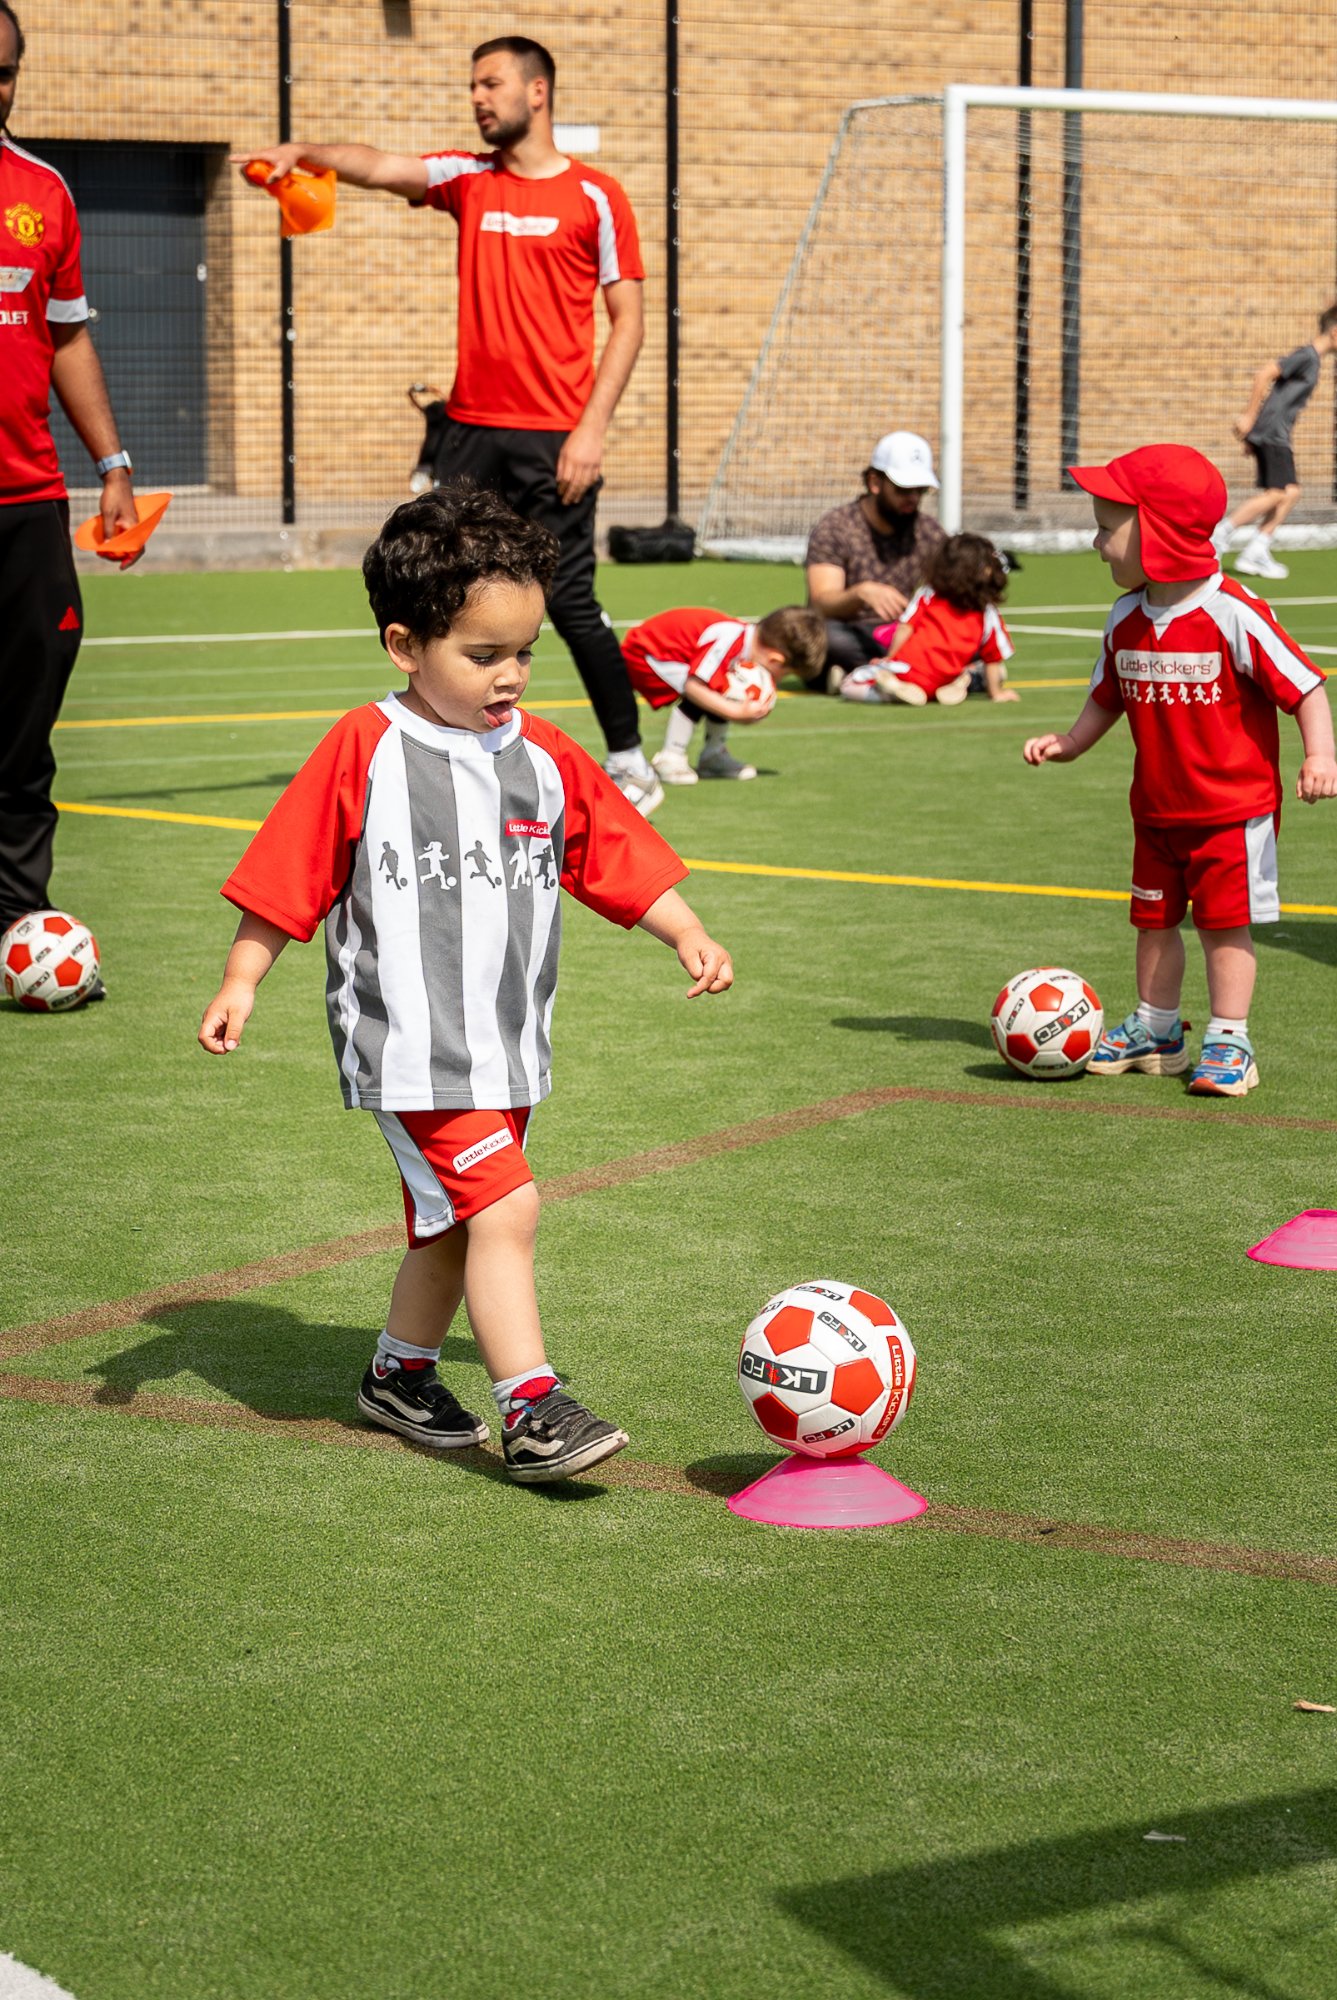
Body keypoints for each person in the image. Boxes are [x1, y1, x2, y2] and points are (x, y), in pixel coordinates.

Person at [198, 485, 733, 1482]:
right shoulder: (365, 747)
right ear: (405, 645)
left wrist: (685, 929)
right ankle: (533, 1407)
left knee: (451, 1223)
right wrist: (242, 976)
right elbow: (290, 871)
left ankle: (398, 1375)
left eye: (524, 652)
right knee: (506, 1207)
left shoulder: (544, 755)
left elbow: (610, 853)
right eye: (483, 654)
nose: (510, 675)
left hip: (506, 1043)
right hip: (410, 1045)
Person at [235, 35, 665, 815]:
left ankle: (631, 760)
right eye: (473, 85)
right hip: (470, 432)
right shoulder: (469, 179)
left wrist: (591, 430)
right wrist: (305, 153)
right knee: (441, 587)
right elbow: (380, 166)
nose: (477, 97)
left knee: (567, 602)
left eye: (491, 83)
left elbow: (629, 322)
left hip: (556, 438)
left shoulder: (596, 197)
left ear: (537, 91)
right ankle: (439, 743)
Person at [1024, 443, 1336, 1098]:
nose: (1096, 544)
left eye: (1107, 530)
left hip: (1231, 815)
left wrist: (1320, 755)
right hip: (1156, 812)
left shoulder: (1232, 613)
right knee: (1153, 922)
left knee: (1224, 928)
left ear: (1158, 532)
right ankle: (1157, 1030)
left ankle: (1230, 1039)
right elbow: (1107, 695)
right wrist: (1072, 741)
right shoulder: (1124, 617)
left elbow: (1305, 687)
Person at [0, 0, 140, 956]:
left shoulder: (42, 190)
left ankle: (16, 920)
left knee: (24, 726)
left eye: (4, 71)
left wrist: (113, 463)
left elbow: (67, 335)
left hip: (27, 505)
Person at [801, 431, 947, 693]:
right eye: (903, 489)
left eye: (920, 490)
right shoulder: (836, 527)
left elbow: (949, 592)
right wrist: (861, 593)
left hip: (901, 632)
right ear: (874, 482)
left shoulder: (928, 531)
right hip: (847, 631)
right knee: (820, 638)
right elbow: (821, 602)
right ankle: (914, 673)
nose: (913, 498)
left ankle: (856, 676)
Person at [621, 603, 825, 785]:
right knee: (705, 692)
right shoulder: (730, 641)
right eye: (784, 674)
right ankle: (671, 756)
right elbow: (694, 687)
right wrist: (736, 712)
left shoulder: (742, 642)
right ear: (775, 660)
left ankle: (713, 755)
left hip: (662, 654)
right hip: (646, 653)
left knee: (722, 687)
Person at [1214, 306, 1337, 582]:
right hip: (1272, 434)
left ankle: (1256, 550)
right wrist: (1250, 417)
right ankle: (1219, 536)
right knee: (1278, 493)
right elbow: (1264, 373)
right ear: (1335, 333)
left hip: (1275, 434)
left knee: (1290, 492)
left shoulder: (1313, 361)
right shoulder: (1306, 356)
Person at [837, 532, 1019, 708]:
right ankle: (957, 682)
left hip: (908, 672)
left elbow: (905, 627)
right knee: (972, 670)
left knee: (850, 684)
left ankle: (891, 692)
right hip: (944, 678)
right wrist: (996, 693)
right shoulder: (988, 614)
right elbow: (993, 658)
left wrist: (890, 659)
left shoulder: (929, 595)